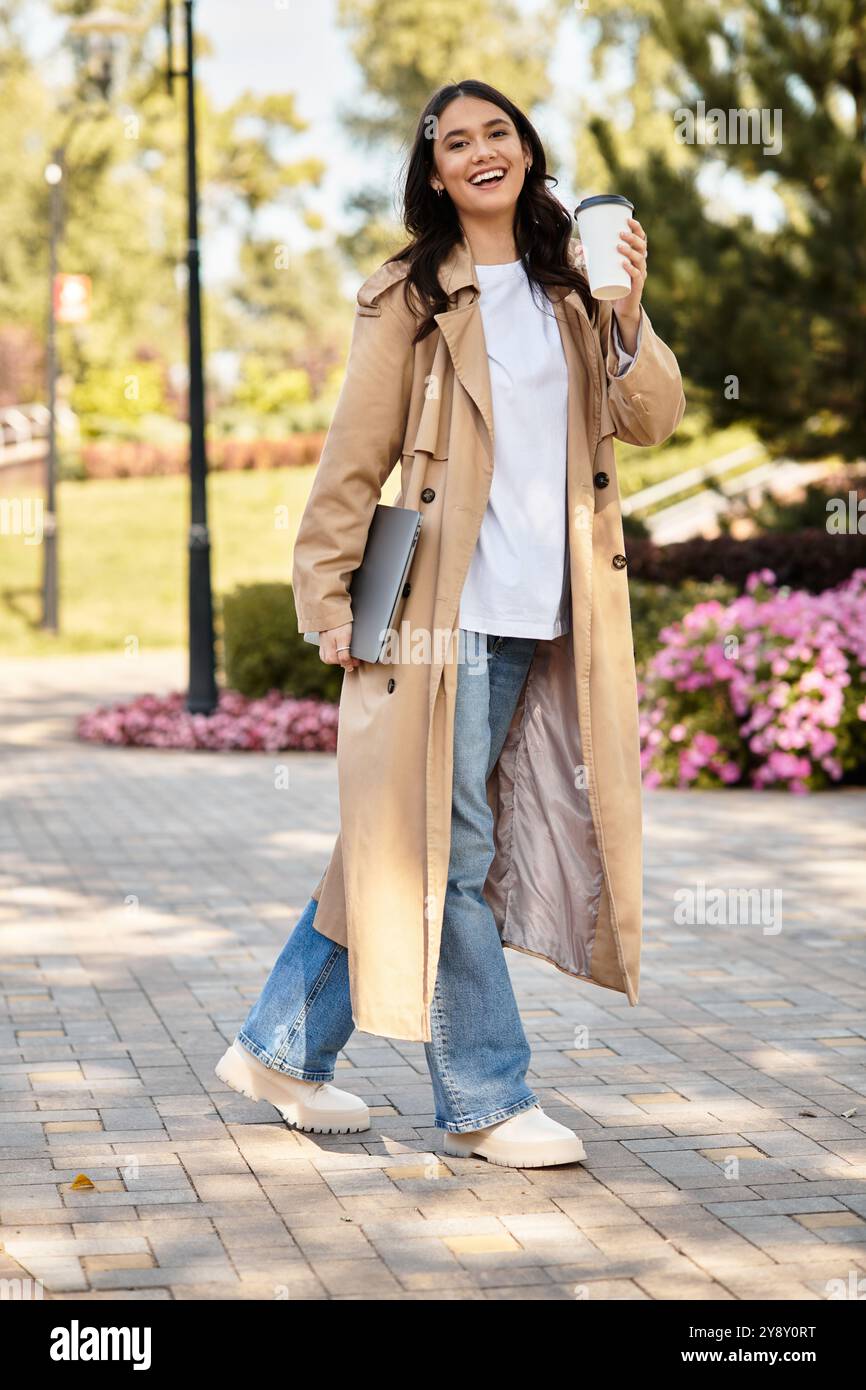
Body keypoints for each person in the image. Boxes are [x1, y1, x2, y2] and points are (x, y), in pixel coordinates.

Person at [215, 79, 685, 1169]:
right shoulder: (410, 296)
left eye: (498, 133)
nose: (480, 151)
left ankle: (282, 1047)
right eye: (455, 141)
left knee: (404, 838)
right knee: (454, 847)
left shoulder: (576, 287)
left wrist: (627, 311)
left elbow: (651, 416)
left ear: (525, 152)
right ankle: (486, 1094)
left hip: (541, 612)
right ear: (433, 173)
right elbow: (352, 455)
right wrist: (326, 595)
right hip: (442, 612)